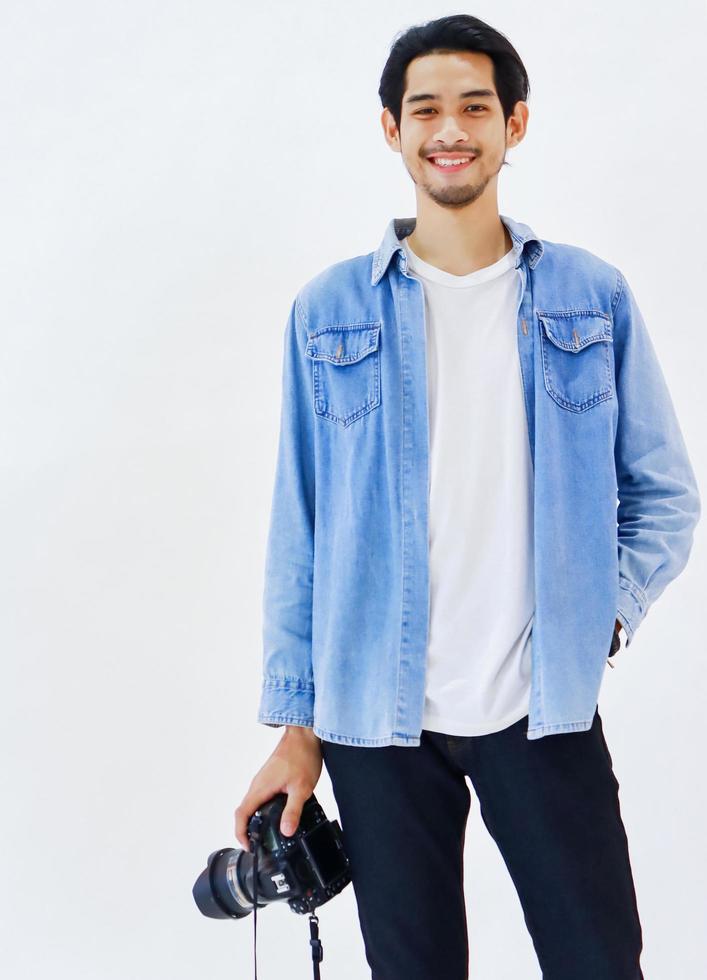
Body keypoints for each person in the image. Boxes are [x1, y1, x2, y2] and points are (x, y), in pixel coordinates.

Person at [235, 14, 700, 979]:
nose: (450, 129)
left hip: (543, 707)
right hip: (376, 720)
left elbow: (662, 495)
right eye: (426, 109)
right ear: (391, 130)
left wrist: (597, 620)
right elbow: (301, 526)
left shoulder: (588, 293)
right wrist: (296, 732)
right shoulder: (329, 309)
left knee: (599, 959)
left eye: (474, 108)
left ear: (513, 125)